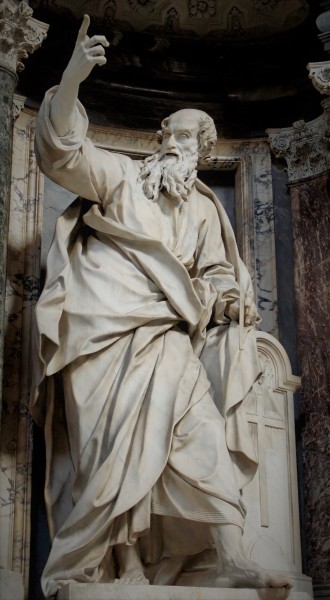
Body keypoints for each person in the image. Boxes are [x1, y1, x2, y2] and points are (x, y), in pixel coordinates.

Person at [30, 14, 292, 598]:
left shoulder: (202, 211)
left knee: (199, 436)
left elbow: (218, 273)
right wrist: (71, 81)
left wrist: (227, 302)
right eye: (173, 136)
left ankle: (230, 553)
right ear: (157, 143)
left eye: (194, 141)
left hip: (170, 340)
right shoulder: (123, 179)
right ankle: (120, 566)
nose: (182, 148)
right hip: (103, 339)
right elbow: (64, 154)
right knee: (111, 456)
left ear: (204, 152)